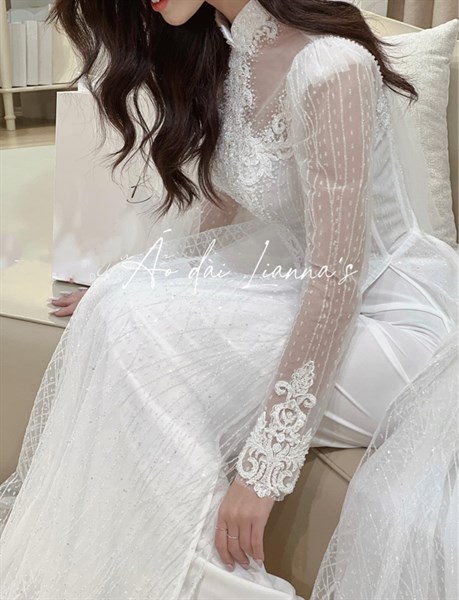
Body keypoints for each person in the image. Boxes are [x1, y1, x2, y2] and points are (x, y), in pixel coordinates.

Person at [0, 0, 457, 598]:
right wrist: (143, 280)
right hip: (305, 288)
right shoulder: (236, 50)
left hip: (392, 327)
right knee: (119, 303)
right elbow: (223, 210)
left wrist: (264, 469)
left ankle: (214, 584)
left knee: (142, 333)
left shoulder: (331, 66)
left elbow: (338, 279)